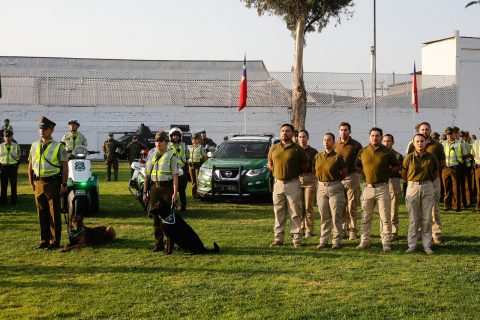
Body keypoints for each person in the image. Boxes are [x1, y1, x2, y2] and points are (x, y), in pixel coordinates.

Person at [355, 127, 401, 252]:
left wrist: (388, 172)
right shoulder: (363, 151)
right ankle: (364, 241)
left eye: (377, 136)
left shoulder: (387, 151)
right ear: (369, 137)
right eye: (372, 135)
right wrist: (366, 175)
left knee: (385, 217)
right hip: (368, 188)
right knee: (366, 216)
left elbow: (397, 165)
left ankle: (386, 243)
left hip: (383, 188)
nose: (375, 138)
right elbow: (358, 166)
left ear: (381, 137)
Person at [28, 117, 68, 250]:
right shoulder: (34, 145)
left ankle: (54, 242)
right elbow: (30, 164)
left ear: (51, 130)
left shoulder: (59, 146)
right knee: (42, 213)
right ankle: (44, 240)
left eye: (45, 129)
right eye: (40, 129)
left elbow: (65, 166)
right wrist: (31, 182)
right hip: (38, 182)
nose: (42, 131)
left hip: (53, 182)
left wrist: (64, 184)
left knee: (54, 213)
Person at [268, 123, 309, 248]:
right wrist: (278, 173)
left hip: (293, 183)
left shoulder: (298, 149)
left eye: (287, 131)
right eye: (283, 131)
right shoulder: (273, 148)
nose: (284, 133)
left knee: (295, 211)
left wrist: (291, 173)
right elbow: (270, 164)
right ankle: (278, 238)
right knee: (278, 211)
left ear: (292, 134)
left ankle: (296, 239)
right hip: (278, 184)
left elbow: (305, 166)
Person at [407, 122, 446, 245]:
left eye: (427, 129)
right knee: (417, 208)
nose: (425, 131)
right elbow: (408, 163)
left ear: (430, 130)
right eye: (422, 129)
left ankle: (436, 234)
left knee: (434, 208)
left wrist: (431, 174)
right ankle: (419, 233)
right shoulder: (412, 144)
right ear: (418, 130)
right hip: (415, 182)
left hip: (432, 181)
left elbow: (442, 163)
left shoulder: (437, 145)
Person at [402, 134, 438, 255]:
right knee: (413, 218)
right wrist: (411, 182)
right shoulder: (409, 158)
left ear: (425, 142)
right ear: (413, 143)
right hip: (412, 187)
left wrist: (428, 181)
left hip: (428, 186)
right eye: (417, 141)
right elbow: (403, 173)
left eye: (422, 141)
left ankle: (427, 245)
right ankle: (412, 245)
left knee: (427, 218)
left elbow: (436, 172)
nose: (419, 143)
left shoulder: (431, 157)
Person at [143, 131, 178, 253]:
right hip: (154, 189)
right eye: (156, 141)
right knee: (155, 218)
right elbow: (147, 176)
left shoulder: (171, 155)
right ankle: (158, 244)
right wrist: (144, 192)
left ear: (166, 142)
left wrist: (175, 193)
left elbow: (175, 176)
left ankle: (169, 246)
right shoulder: (152, 155)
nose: (158, 143)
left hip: (167, 188)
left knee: (168, 218)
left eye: (161, 141)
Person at [314, 132, 347, 249]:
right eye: (324, 140)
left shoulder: (338, 157)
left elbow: (344, 173)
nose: (326, 142)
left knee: (336, 215)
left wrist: (335, 182)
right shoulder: (318, 157)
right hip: (321, 188)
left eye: (329, 140)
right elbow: (315, 171)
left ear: (333, 142)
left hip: (335, 187)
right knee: (324, 216)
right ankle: (323, 241)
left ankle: (336, 241)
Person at [334, 122, 362, 240]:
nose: (343, 132)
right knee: (340, 205)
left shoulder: (356, 145)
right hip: (338, 179)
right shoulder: (334, 144)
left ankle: (352, 230)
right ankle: (342, 230)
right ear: (338, 131)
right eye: (341, 130)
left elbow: (361, 160)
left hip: (352, 177)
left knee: (352, 205)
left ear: (350, 131)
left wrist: (358, 171)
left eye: (345, 130)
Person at [381, 134, 403, 241]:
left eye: (388, 141)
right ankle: (384, 231)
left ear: (393, 142)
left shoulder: (397, 155)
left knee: (394, 208)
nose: (386, 143)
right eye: (384, 141)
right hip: (381, 182)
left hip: (394, 181)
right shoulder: (379, 154)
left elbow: (398, 169)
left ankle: (394, 232)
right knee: (383, 208)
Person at [297, 129, 318, 238]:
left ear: (307, 138)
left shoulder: (313, 151)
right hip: (297, 180)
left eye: (304, 137)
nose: (302, 139)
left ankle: (309, 230)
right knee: (299, 206)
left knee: (308, 206)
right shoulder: (295, 150)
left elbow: (316, 166)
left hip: (310, 179)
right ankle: (301, 229)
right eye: (300, 137)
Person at [443, 127, 468, 212]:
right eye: (448, 134)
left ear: (454, 134)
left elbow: (465, 154)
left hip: (455, 168)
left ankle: (456, 206)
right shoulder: (443, 144)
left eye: (450, 134)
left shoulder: (460, 143)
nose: (449, 136)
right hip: (445, 168)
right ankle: (447, 206)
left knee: (456, 188)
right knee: (446, 188)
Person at [168, 127, 189, 212]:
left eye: (177, 135)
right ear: (171, 136)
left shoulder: (184, 145)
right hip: (172, 170)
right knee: (171, 189)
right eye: (173, 135)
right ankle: (172, 205)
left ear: (180, 136)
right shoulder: (168, 145)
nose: (175, 137)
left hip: (182, 169)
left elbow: (187, 156)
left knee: (182, 189)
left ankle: (183, 206)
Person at [0, 130, 21, 205]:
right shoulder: (1, 146)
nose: (8, 138)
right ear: (3, 137)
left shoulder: (16, 145)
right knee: (3, 185)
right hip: (3, 168)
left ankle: (14, 201)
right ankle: (3, 201)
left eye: (9, 136)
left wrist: (16, 167)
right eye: (6, 136)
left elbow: (19, 157)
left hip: (13, 168)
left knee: (13, 185)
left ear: (12, 136)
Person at [188, 132, 207, 199]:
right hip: (190, 166)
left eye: (196, 139)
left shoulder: (201, 147)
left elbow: (205, 157)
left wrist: (205, 165)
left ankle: (200, 194)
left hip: (197, 166)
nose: (194, 140)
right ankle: (194, 195)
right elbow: (187, 156)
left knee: (198, 180)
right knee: (193, 181)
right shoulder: (189, 147)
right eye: (193, 139)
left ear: (198, 139)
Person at [471, 137, 480, 211]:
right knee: (479, 189)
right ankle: (478, 206)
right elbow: (472, 155)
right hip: (478, 168)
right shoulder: (476, 143)